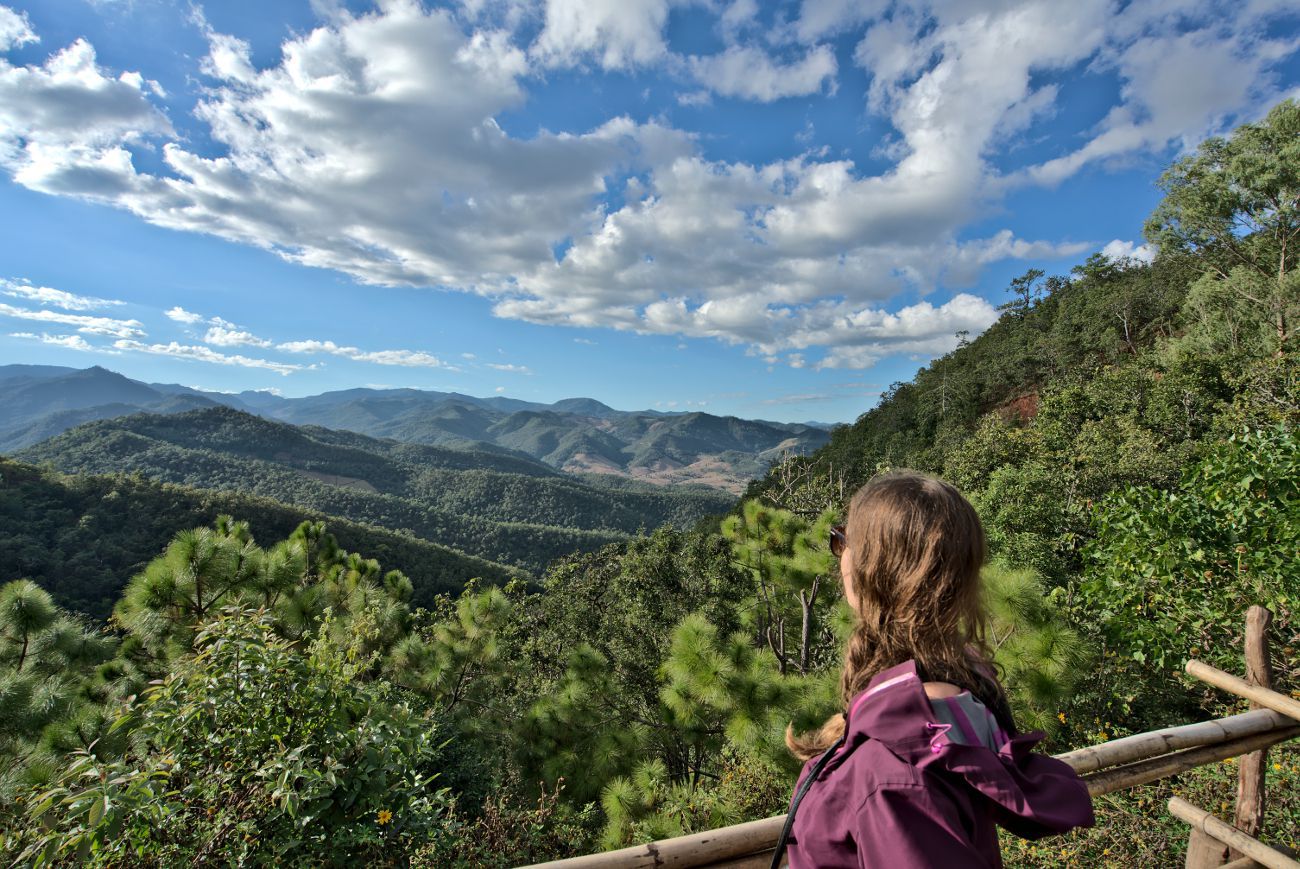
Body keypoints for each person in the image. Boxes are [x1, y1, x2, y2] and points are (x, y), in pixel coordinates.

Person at [778, 470, 1093, 868]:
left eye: (841, 540)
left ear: (876, 571)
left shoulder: (895, 772)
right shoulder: (952, 708)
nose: (839, 552)